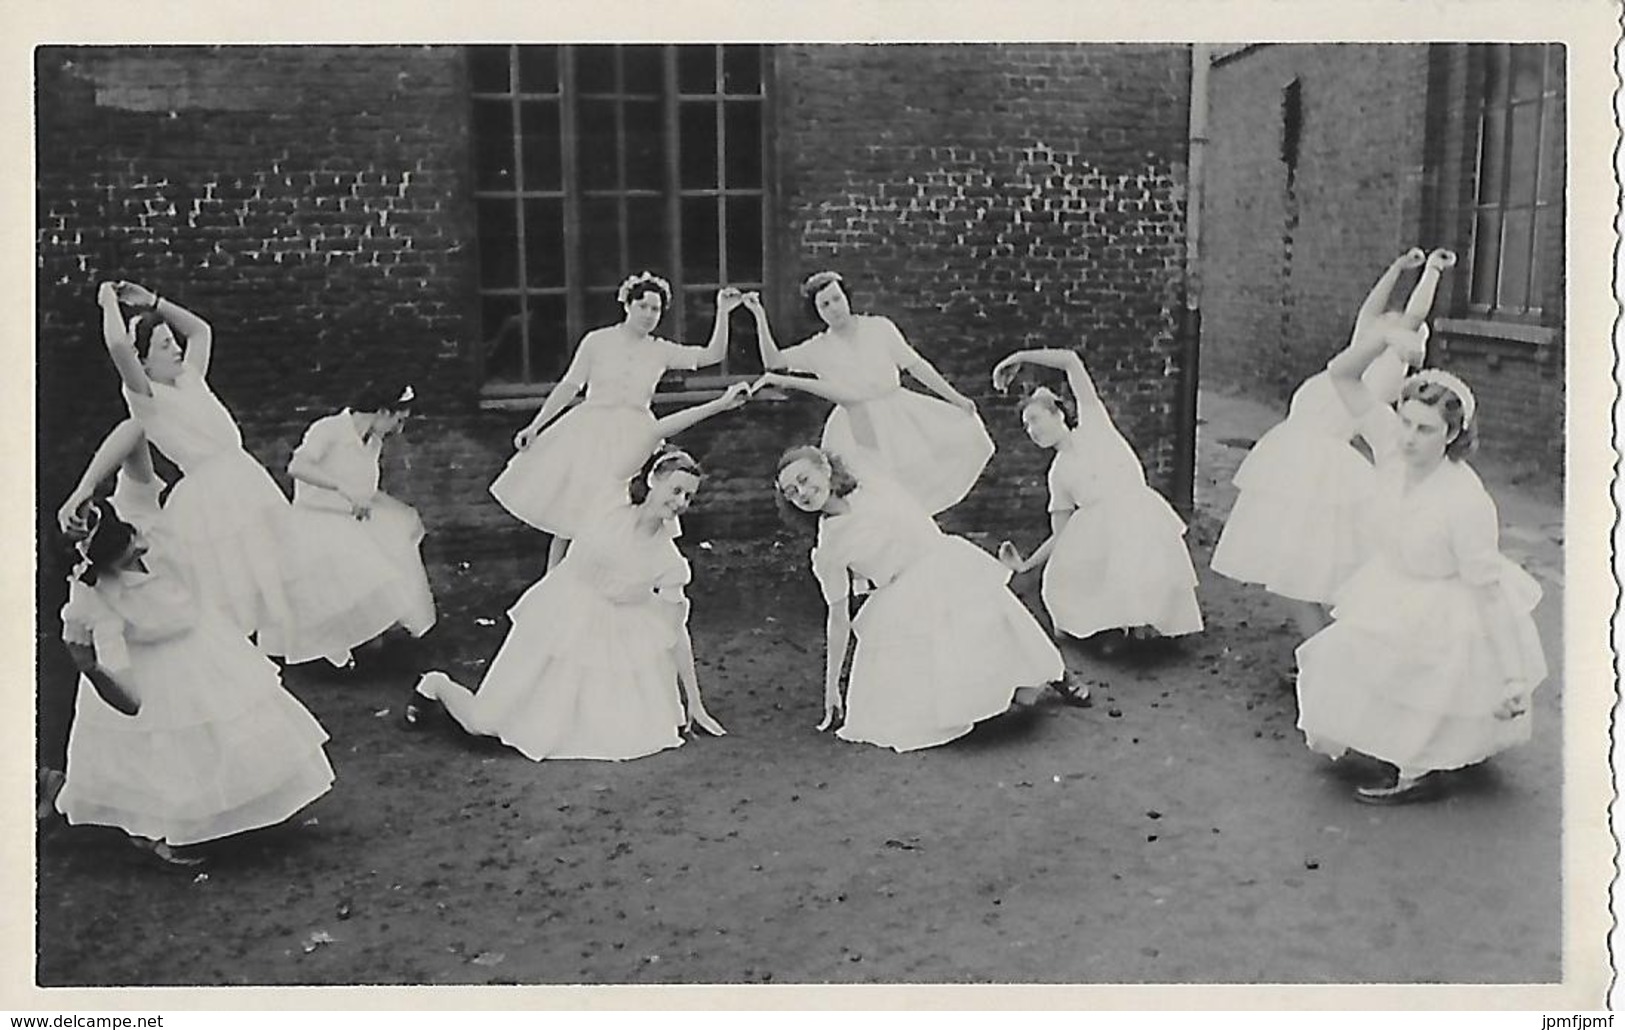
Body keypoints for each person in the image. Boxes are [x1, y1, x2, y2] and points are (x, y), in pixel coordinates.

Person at [408, 382, 755, 759]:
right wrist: (719, 404)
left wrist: (695, 702)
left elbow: (674, 632)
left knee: (611, 737)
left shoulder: (668, 561)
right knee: (486, 724)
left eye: (688, 497)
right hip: (559, 618)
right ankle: (436, 685)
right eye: (675, 490)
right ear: (653, 480)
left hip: (611, 640)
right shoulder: (610, 498)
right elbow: (653, 431)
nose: (680, 502)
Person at [1293, 321, 1546, 804]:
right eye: (1405, 421)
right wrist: (1386, 338)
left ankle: (1421, 772)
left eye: (1425, 429)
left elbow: (1487, 591)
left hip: (1448, 600)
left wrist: (1513, 676)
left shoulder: (1466, 501)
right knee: (1348, 657)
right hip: (1394, 583)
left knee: (1426, 684)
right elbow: (1341, 375)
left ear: (1452, 435)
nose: (1409, 437)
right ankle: (1411, 750)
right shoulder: (1393, 445)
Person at [54, 500, 335, 867]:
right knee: (174, 754)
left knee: (239, 728)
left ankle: (249, 812)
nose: (139, 542)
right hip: (156, 673)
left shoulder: (155, 538)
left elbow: (134, 451)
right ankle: (168, 833)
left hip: (208, 650)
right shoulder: (96, 598)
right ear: (105, 562)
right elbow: (131, 702)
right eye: (126, 546)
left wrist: (85, 490)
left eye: (132, 533)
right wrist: (89, 668)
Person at [1210, 248, 1448, 643]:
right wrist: (1396, 269)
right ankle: (1327, 649)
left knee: (1300, 573)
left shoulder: (1385, 363)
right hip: (1294, 452)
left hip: (1318, 462)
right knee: (1292, 570)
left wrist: (1433, 272)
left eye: (1395, 319)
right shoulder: (1363, 349)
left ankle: (1327, 651)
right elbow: (1368, 313)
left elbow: (1414, 314)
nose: (1383, 318)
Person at [774, 444, 1065, 753]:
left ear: (826, 468)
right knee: (941, 703)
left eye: (804, 480)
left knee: (1018, 671)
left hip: (944, 564)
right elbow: (837, 618)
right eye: (791, 492)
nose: (802, 493)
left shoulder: (870, 485)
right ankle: (991, 700)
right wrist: (831, 686)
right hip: (901, 595)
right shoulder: (827, 549)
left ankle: (1054, 677)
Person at [490, 273, 744, 571]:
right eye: (644, 306)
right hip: (590, 430)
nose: (649, 314)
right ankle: (553, 585)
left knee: (627, 509)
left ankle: (619, 578)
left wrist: (723, 312)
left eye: (656, 309)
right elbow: (570, 385)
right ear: (627, 305)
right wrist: (535, 426)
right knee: (572, 511)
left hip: (635, 435)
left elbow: (712, 355)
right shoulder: (597, 341)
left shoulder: (660, 349)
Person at [96, 279, 297, 650]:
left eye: (173, 342)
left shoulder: (191, 378)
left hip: (244, 477)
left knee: (270, 562)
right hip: (209, 494)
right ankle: (238, 648)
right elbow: (118, 345)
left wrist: (153, 300)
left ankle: (287, 643)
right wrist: (109, 302)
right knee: (228, 574)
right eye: (164, 345)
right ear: (143, 361)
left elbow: (201, 330)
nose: (175, 349)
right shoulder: (145, 396)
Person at [990, 347, 1202, 658]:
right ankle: (1108, 628)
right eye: (1026, 427)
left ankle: (1141, 625)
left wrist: (1019, 357)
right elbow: (1060, 535)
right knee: (1064, 579)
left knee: (1134, 552)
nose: (1033, 431)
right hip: (1100, 535)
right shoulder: (1057, 473)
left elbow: (1070, 361)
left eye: (1036, 419)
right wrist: (1026, 564)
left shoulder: (1094, 426)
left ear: (1058, 413)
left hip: (1138, 517)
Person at [747, 271, 993, 516]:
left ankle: (916, 533)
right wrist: (759, 314)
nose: (834, 308)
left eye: (837, 299)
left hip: (898, 414)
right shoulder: (818, 348)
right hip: (853, 425)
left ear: (847, 297)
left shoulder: (879, 328)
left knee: (909, 484)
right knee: (869, 489)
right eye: (824, 305)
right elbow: (774, 361)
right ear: (818, 312)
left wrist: (955, 398)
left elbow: (916, 365)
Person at [276, 381, 436, 668]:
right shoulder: (328, 430)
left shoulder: (373, 441)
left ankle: (368, 641)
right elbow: (298, 467)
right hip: (316, 518)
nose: (398, 429)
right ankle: (335, 654)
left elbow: (366, 488)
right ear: (383, 412)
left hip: (351, 516)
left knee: (397, 546)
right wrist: (343, 489)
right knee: (358, 571)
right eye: (398, 420)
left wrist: (395, 508)